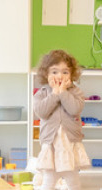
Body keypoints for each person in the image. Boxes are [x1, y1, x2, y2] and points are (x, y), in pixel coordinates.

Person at [32, 50, 91, 190]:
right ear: (46, 74)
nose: (60, 76)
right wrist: (54, 94)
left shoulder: (75, 92)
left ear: (71, 75)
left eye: (65, 72)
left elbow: (74, 109)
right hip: (51, 144)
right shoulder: (42, 94)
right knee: (49, 179)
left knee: (73, 179)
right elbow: (42, 112)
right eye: (54, 72)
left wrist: (63, 92)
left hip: (69, 143)